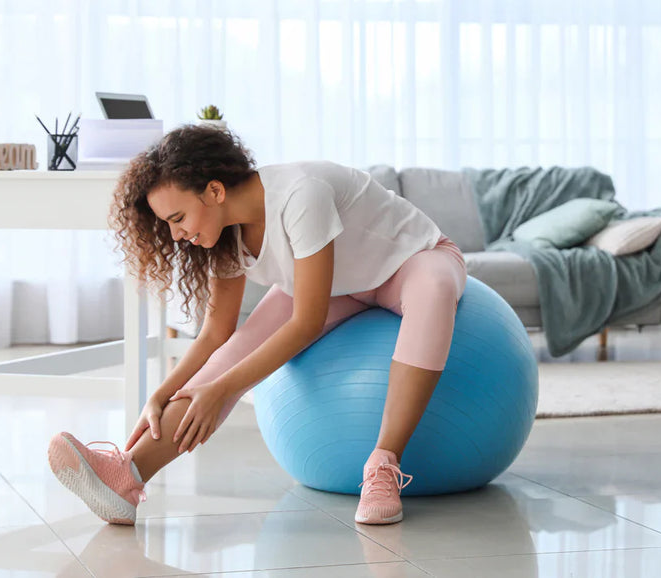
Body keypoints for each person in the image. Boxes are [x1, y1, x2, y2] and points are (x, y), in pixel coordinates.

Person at [47, 124, 466, 526]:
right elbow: (216, 333)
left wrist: (225, 390)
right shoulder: (224, 232)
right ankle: (126, 477)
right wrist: (162, 391)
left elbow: (306, 322)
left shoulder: (302, 195)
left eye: (178, 218)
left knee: (433, 287)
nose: (175, 235)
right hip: (339, 286)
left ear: (214, 190)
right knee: (230, 359)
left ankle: (384, 465)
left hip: (411, 263)